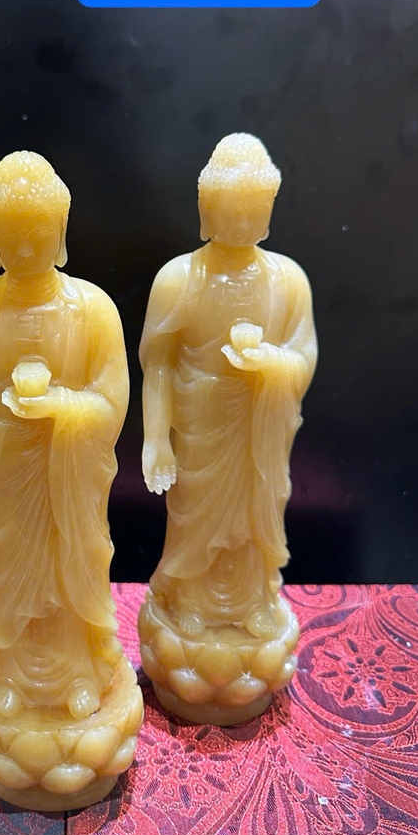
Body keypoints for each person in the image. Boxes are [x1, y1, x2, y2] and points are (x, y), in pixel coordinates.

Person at [0, 151, 129, 720]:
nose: (24, 249)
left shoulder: (92, 309)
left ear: (61, 231)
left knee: (73, 572)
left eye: (38, 234)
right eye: (12, 235)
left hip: (69, 480)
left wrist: (59, 406)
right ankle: (13, 673)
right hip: (5, 481)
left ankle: (80, 672)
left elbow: (112, 404)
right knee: (9, 578)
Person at [140, 133, 317, 640]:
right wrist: (155, 439)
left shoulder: (288, 280)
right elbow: (158, 366)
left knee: (258, 515)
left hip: (261, 426)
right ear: (207, 210)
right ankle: (189, 598)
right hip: (202, 427)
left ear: (270, 209)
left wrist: (271, 363)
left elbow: (303, 357)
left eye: (254, 210)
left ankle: (254, 601)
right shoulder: (179, 278)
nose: (242, 222)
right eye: (231, 210)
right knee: (195, 518)